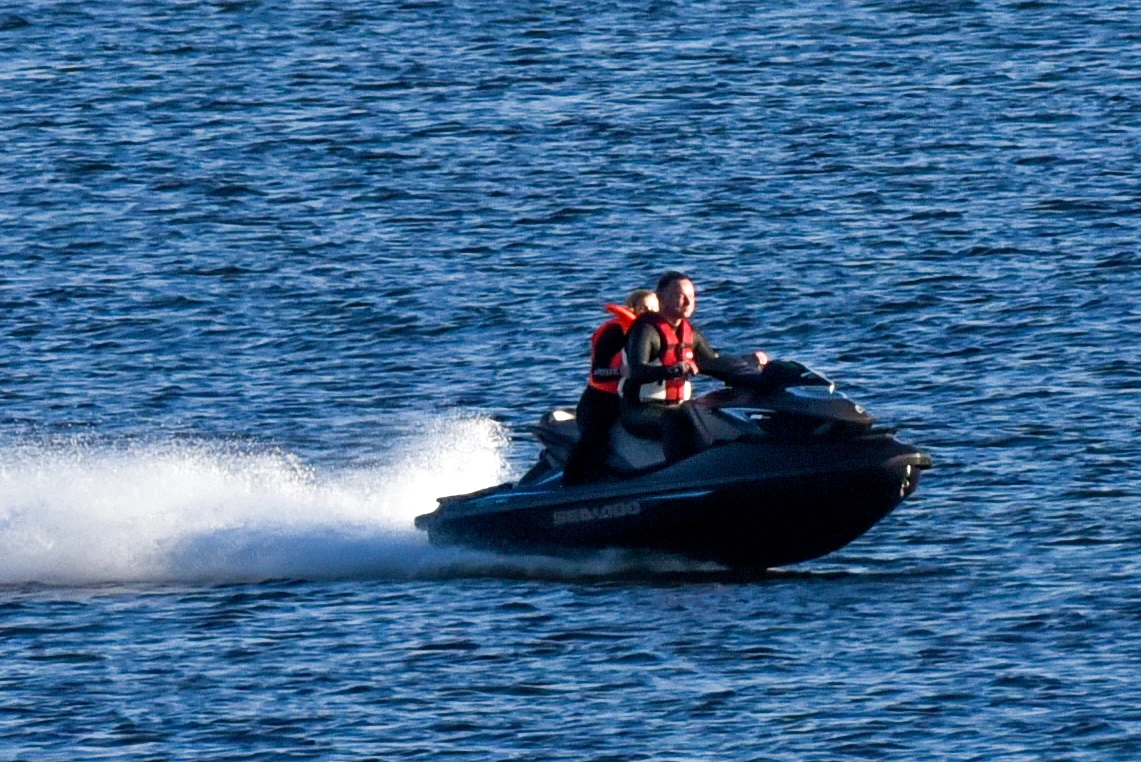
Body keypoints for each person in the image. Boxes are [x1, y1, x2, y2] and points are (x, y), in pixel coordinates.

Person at [620, 271, 768, 463]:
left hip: (675, 405)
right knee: (678, 419)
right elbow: (637, 371)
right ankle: (678, 475)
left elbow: (712, 363)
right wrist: (673, 370)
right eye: (680, 297)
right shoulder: (645, 330)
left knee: (714, 412)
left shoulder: (690, 333)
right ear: (661, 298)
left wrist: (751, 363)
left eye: (691, 296)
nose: (688, 303)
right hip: (639, 409)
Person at [562, 288, 660, 486]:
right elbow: (598, 372)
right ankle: (569, 486)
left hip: (629, 399)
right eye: (645, 309)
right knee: (595, 441)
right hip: (599, 402)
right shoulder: (615, 331)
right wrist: (623, 372)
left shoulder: (652, 334)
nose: (650, 314)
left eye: (654, 310)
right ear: (633, 308)